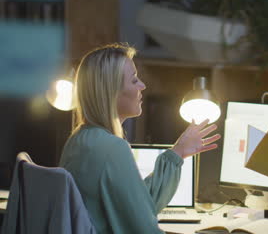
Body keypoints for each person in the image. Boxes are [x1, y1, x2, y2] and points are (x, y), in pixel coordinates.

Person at [59, 43, 221, 233]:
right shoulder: (111, 148)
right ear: (111, 91)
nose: (143, 86)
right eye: (134, 80)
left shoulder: (79, 139)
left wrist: (177, 153)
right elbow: (144, 228)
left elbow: (139, 206)